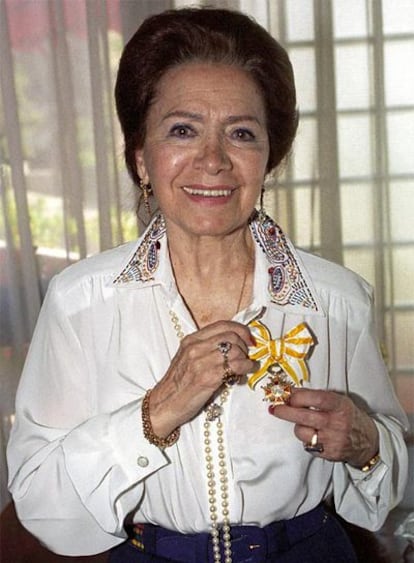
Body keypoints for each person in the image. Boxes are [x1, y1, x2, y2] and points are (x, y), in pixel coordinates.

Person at [7, 7, 408, 563]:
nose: (214, 160)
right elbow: (40, 501)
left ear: (269, 158)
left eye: (241, 133)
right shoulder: (80, 301)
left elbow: (383, 486)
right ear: (141, 158)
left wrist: (366, 442)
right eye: (182, 130)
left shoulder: (336, 300)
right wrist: (156, 413)